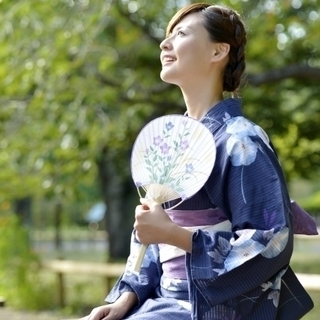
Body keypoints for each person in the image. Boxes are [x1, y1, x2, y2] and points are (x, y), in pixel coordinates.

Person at [82, 3, 316, 319]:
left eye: (180, 33)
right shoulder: (173, 141)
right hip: (163, 303)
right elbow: (152, 235)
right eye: (167, 36)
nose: (165, 44)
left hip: (209, 308)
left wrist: (175, 235)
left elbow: (270, 240)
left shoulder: (242, 140)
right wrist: (125, 298)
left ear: (218, 52)